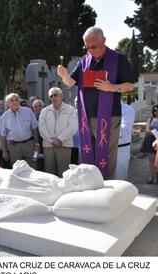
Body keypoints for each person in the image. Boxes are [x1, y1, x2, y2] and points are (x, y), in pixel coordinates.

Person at [57, 26, 134, 180]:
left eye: (94, 46)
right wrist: (64, 76)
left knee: (106, 156)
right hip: (87, 117)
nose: (91, 50)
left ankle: (106, 191)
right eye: (87, 47)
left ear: (104, 41)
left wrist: (112, 87)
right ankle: (91, 187)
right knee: (88, 155)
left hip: (109, 117)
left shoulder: (118, 59)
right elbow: (72, 82)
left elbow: (130, 85)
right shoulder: (84, 60)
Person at [38, 87, 78, 177]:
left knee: (64, 173)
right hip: (48, 145)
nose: (53, 97)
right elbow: (42, 128)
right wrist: (52, 140)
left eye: (55, 95)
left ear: (61, 96)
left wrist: (60, 139)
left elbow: (73, 126)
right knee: (49, 173)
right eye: (51, 96)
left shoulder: (70, 109)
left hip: (64, 144)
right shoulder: (44, 111)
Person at [0, 93, 40, 169]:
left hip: (29, 145)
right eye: (11, 100)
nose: (14, 102)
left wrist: (36, 144)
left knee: (33, 169)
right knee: (17, 170)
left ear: (19, 101)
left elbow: (34, 128)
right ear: (7, 103)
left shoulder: (28, 111)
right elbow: (3, 135)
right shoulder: (4, 117)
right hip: (14, 147)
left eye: (16, 100)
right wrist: (4, 151)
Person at [115, 101, 135, 181]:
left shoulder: (127, 109)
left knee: (119, 180)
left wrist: (107, 122)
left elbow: (125, 131)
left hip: (120, 149)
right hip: (101, 148)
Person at [143, 105, 158, 183]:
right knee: (151, 160)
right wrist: (154, 132)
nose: (156, 112)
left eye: (157, 110)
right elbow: (147, 129)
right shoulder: (150, 119)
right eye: (155, 110)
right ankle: (150, 177)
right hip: (151, 140)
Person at [32, 99, 45, 171]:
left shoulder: (48, 115)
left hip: (47, 142)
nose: (38, 108)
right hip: (36, 142)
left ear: (43, 106)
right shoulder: (32, 117)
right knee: (38, 163)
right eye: (36, 107)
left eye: (40, 106)